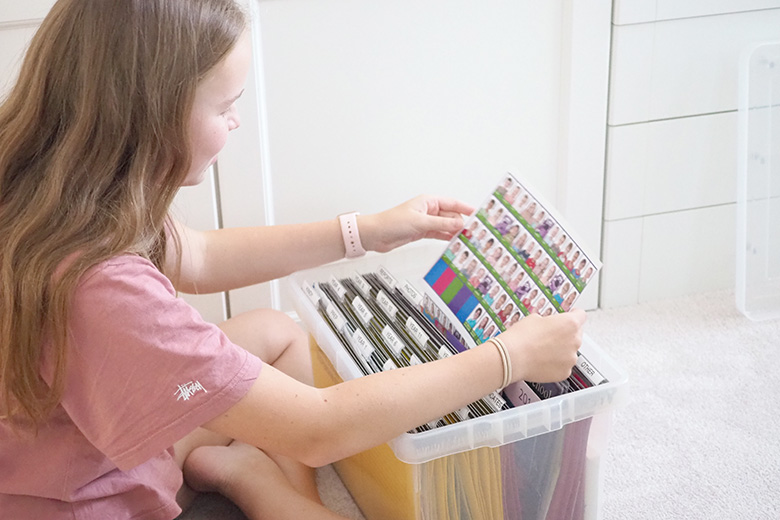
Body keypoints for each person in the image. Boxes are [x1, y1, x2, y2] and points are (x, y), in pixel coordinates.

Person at [0, 2, 587, 520]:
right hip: (91, 499)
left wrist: (367, 231)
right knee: (301, 421)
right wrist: (509, 357)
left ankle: (265, 484)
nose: (235, 120)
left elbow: (198, 255)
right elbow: (320, 426)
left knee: (281, 335)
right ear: (151, 115)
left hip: (69, 451)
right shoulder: (104, 289)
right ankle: (266, 491)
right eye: (225, 105)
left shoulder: (61, 187)